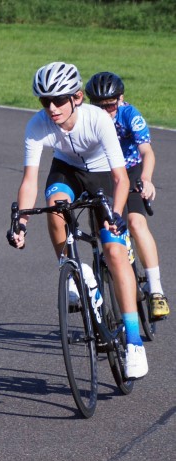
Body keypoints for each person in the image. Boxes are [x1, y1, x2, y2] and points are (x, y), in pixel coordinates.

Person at [7, 62, 147, 379]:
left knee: (114, 251)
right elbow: (29, 181)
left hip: (104, 174)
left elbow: (121, 178)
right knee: (54, 205)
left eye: (59, 100)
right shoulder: (38, 124)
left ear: (77, 97)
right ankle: (73, 270)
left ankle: (134, 342)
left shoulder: (98, 120)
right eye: (45, 101)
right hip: (67, 170)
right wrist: (22, 223)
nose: (52, 108)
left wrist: (116, 214)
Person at [85, 71, 169, 319]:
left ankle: (156, 290)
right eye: (99, 106)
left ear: (120, 99)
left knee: (136, 222)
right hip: (104, 172)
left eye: (110, 105)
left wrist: (146, 179)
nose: (105, 111)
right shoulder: (88, 117)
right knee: (105, 230)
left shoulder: (130, 115)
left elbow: (147, 152)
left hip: (130, 171)